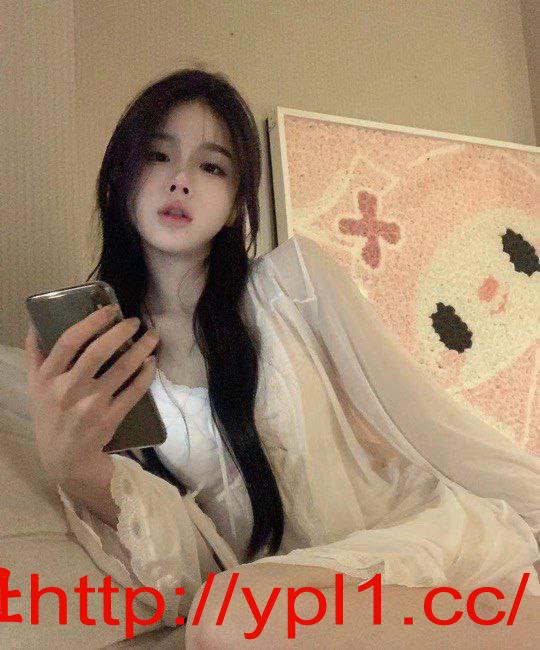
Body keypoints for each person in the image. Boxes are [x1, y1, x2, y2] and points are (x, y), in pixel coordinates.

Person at [25, 67, 539, 647]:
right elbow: (192, 563)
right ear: (121, 175)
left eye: (212, 166)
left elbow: (428, 420)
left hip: (410, 553)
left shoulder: (294, 284)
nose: (181, 181)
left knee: (232, 613)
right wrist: (74, 468)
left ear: (235, 203)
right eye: (158, 156)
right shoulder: (110, 356)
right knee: (227, 613)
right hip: (289, 608)